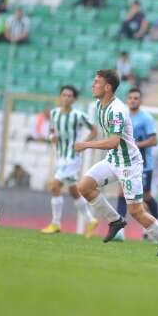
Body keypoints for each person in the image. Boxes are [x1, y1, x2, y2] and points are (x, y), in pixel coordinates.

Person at [74, 70, 158, 257]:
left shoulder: (117, 110)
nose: (92, 84)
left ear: (107, 87)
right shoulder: (99, 104)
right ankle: (115, 220)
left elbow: (113, 141)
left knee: (136, 211)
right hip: (113, 160)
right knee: (84, 187)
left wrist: (86, 144)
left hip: (129, 165)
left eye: (96, 82)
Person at [40, 86, 99, 237]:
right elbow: (52, 132)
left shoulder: (78, 115)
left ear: (74, 99)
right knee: (74, 191)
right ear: (60, 97)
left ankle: (56, 223)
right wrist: (51, 137)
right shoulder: (54, 113)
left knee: (54, 185)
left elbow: (94, 130)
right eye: (64, 95)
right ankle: (91, 220)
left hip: (73, 157)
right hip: (61, 157)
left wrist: (83, 144)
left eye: (70, 95)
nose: (66, 98)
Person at [113, 88, 158, 241]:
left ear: (140, 101)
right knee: (121, 193)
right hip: (125, 162)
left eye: (136, 98)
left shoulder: (146, 118)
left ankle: (157, 226)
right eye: (131, 98)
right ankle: (119, 230)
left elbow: (153, 140)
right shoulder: (122, 116)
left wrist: (135, 145)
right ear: (127, 100)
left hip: (144, 164)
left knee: (145, 197)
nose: (133, 100)